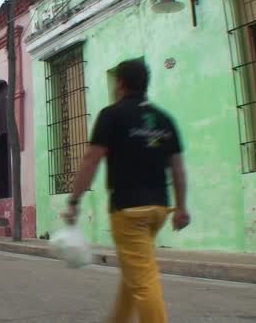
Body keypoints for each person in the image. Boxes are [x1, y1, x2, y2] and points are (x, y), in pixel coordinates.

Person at [62, 59, 191, 323]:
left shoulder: (111, 115)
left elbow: (91, 160)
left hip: (128, 210)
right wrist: (181, 207)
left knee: (143, 280)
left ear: (120, 83)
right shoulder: (164, 119)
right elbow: (178, 169)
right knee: (135, 271)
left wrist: (74, 200)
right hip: (158, 209)